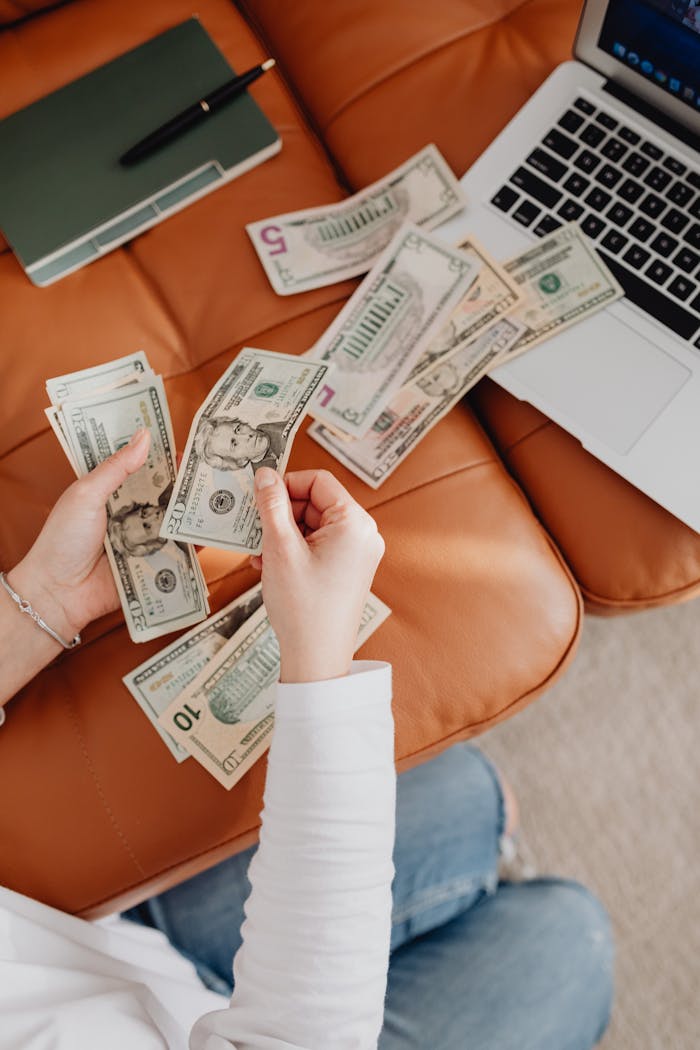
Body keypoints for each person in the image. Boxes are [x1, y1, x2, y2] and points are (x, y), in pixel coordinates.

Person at [0, 428, 613, 1049]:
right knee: (567, 940)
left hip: (100, 935)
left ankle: (480, 856)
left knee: (471, 795)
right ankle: (482, 873)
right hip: (221, 1021)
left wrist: (47, 596)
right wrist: (319, 652)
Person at [195, 416, 288, 472]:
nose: (246, 436)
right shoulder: (265, 475)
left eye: (238, 429)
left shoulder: (270, 423)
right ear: (240, 461)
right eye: (235, 444)